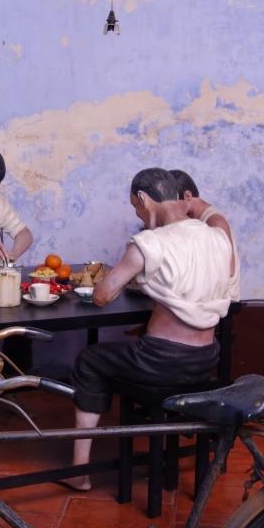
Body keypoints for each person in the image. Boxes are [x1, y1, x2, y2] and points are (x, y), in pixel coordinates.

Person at [68, 167, 238, 489]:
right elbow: (215, 234)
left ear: (144, 199)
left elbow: (102, 295)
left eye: (136, 207)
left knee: (89, 361)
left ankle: (80, 472)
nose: (138, 214)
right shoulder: (218, 237)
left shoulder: (149, 244)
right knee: (114, 355)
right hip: (206, 359)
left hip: (160, 362)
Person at [169, 168, 240, 296]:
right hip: (205, 299)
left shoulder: (215, 221)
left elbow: (228, 270)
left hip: (223, 302)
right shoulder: (192, 221)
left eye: (171, 205)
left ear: (187, 196)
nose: (169, 211)